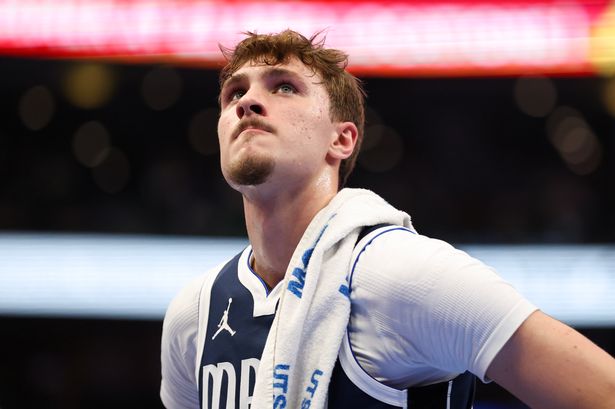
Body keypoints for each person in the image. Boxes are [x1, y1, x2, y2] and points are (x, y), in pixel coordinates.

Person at [160, 30, 615, 409]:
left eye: (284, 87)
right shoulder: (194, 312)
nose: (248, 102)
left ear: (342, 139)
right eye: (234, 93)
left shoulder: (403, 272)